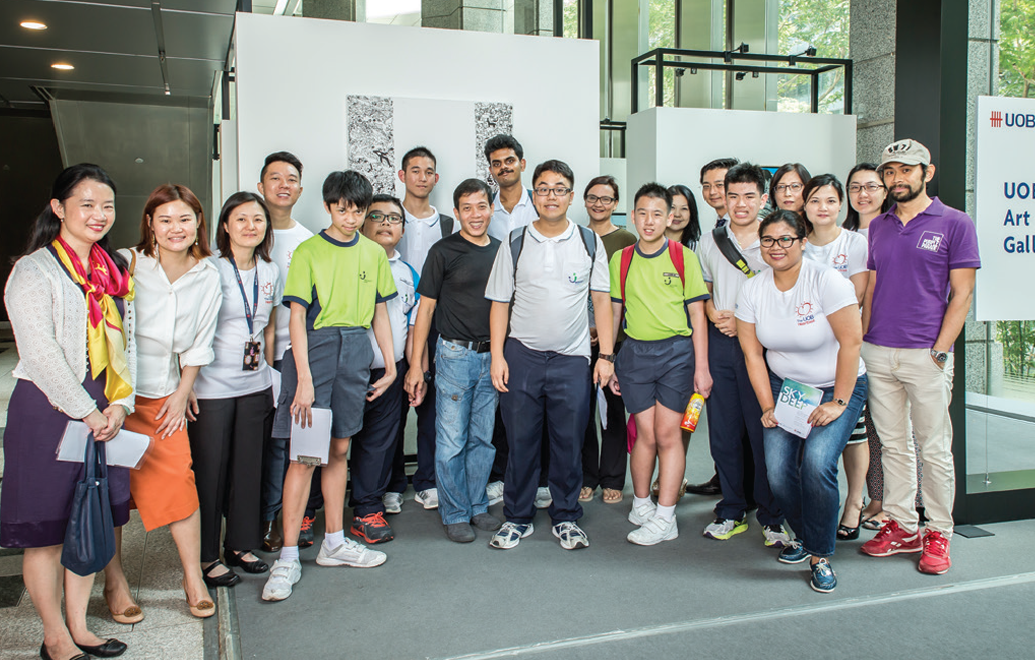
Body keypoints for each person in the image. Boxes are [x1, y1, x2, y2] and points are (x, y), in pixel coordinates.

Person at [3, 163, 133, 660]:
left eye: (107, 206)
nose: (99, 215)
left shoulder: (112, 269)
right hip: (48, 409)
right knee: (47, 530)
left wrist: (120, 402)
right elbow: (39, 353)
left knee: (88, 518)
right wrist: (87, 411)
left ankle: (79, 626)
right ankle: (54, 635)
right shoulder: (34, 270)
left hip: (103, 407)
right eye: (87, 204)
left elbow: (127, 343)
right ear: (58, 208)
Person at [262, 171, 395, 602]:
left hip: (355, 351)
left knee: (339, 449)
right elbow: (296, 318)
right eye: (342, 209)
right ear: (328, 207)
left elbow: (379, 312)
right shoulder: (308, 251)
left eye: (358, 211)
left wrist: (390, 364)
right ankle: (287, 557)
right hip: (315, 350)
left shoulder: (373, 253)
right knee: (304, 456)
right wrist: (303, 379)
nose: (350, 218)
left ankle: (334, 543)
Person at [860, 139, 980, 575]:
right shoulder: (879, 225)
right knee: (893, 446)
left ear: (927, 172)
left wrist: (941, 351)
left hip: (926, 354)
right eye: (890, 171)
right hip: (879, 351)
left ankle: (939, 532)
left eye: (906, 170)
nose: (897, 179)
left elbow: (962, 294)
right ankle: (902, 524)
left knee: (934, 449)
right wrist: (864, 341)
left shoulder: (955, 222)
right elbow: (874, 286)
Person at [737, 210, 868, 593]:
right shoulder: (753, 289)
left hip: (836, 385)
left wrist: (839, 401)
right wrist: (767, 406)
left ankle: (820, 555)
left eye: (785, 239)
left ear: (802, 242)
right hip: (787, 387)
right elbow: (752, 354)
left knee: (817, 464)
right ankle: (809, 536)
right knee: (778, 472)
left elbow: (852, 343)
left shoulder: (827, 281)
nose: (776, 247)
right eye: (768, 240)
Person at [486, 159, 614, 551]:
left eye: (559, 189)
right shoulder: (515, 241)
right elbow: (499, 303)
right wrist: (497, 356)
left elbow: (602, 300)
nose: (551, 196)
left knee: (568, 442)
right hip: (521, 356)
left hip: (572, 359)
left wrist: (606, 356)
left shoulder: (589, 242)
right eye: (543, 189)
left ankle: (566, 516)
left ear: (571, 196)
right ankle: (517, 517)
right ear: (534, 195)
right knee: (521, 441)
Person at [116, 184, 221, 619]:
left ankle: (192, 577)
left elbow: (199, 344)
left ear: (198, 223)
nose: (175, 228)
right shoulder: (126, 263)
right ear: (150, 224)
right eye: (165, 220)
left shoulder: (207, 274)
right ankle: (115, 583)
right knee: (113, 491)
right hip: (116, 397)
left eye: (184, 219)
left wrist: (181, 393)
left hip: (164, 397)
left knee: (180, 479)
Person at [610, 183, 711, 545]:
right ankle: (641, 504)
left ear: (669, 218)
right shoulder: (621, 259)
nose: (649, 221)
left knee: (668, 435)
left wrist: (702, 368)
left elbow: (698, 316)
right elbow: (615, 313)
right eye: (642, 213)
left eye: (657, 214)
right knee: (645, 434)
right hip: (634, 354)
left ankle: (666, 517)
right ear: (632, 216)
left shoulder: (684, 257)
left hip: (676, 355)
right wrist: (609, 360)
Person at [189, 192, 281, 589]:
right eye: (241, 219)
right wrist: (185, 385)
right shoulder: (208, 268)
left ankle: (240, 545)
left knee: (249, 469)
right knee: (211, 473)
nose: (250, 226)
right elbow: (189, 330)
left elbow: (268, 327)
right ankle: (206, 555)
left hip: (255, 385)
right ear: (225, 225)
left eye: (257, 219)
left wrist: (270, 373)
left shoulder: (270, 270)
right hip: (211, 387)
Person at [403, 179, 502, 543]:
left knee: (482, 440)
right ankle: (456, 512)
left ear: (491, 209)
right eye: (467, 208)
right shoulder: (442, 251)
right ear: (457, 213)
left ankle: (477, 505)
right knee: (451, 441)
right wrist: (417, 365)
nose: (475, 215)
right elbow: (425, 310)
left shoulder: (502, 251)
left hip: (492, 356)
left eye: (481, 206)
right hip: (454, 355)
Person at [696, 162, 788, 546]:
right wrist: (711, 311)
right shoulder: (709, 242)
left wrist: (747, 322)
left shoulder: (775, 241)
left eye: (750, 196)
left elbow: (786, 296)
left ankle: (771, 516)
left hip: (763, 346)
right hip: (720, 344)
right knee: (724, 433)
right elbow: (703, 291)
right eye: (732, 195)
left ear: (763, 199)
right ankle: (732, 509)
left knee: (765, 431)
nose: (740, 203)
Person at [843, 163, 916, 530]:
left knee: (893, 427)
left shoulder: (894, 231)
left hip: (887, 337)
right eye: (855, 187)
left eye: (871, 186)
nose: (863, 194)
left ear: (885, 192)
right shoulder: (843, 235)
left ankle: (892, 502)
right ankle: (871, 497)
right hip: (849, 341)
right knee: (863, 427)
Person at [799, 174, 870, 542]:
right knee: (808, 438)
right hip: (804, 354)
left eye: (829, 200)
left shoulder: (854, 243)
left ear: (841, 204)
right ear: (804, 205)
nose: (822, 208)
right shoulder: (797, 242)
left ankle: (854, 501)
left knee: (854, 434)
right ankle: (812, 508)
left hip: (844, 349)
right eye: (815, 200)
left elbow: (856, 296)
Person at [348, 195, 422, 544]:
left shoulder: (408, 274)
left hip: (390, 372)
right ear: (363, 223)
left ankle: (367, 511)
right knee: (332, 444)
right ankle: (307, 513)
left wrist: (413, 370)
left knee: (378, 444)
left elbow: (412, 326)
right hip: (347, 371)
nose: (385, 223)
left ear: (403, 230)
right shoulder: (346, 260)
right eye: (376, 216)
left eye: (394, 218)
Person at [387, 146, 456, 513]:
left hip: (433, 323)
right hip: (392, 322)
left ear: (436, 178)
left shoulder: (446, 224)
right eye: (415, 170)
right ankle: (392, 483)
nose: (422, 177)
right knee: (391, 411)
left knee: (431, 408)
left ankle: (427, 480)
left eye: (428, 171)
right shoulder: (388, 217)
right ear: (402, 175)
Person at [482, 134, 549, 508]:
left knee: (537, 400)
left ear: (522, 164)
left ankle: (541, 479)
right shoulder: (485, 208)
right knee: (502, 400)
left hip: (535, 312)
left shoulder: (539, 204)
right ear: (491, 170)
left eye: (509, 160)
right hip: (496, 311)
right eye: (496, 163)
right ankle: (501, 475)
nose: (503, 167)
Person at [256, 151, 316, 553]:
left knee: (286, 444)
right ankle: (253, 518)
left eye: (291, 179)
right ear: (261, 186)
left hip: (292, 357)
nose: (283, 185)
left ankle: (279, 518)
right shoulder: (247, 230)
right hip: (248, 360)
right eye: (275, 178)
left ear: (300, 188)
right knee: (255, 445)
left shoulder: (308, 242)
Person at [580, 176, 635, 505]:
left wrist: (608, 334)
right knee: (582, 410)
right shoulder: (576, 235)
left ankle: (613, 477)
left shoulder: (627, 240)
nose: (598, 204)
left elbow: (630, 291)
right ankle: (586, 476)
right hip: (578, 339)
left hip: (617, 339)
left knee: (614, 408)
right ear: (584, 200)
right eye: (593, 197)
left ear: (615, 204)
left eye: (606, 199)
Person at [699, 157, 739, 229]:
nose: (712, 192)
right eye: (706, 186)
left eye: (719, 185)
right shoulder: (720, 224)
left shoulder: (746, 225)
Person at [665, 184, 702, 251]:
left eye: (684, 209)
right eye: (672, 207)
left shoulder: (699, 249)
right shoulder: (647, 246)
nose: (677, 214)